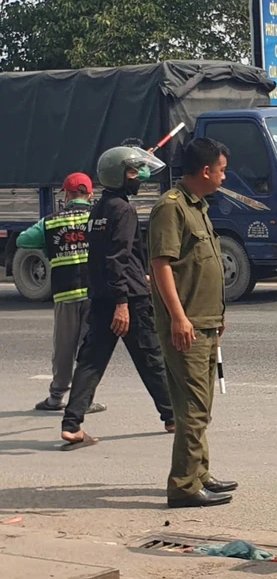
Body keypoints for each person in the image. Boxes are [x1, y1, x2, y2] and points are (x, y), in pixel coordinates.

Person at [60, 146, 175, 451]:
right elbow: (117, 256)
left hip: (100, 295)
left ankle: (71, 425)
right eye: (133, 172)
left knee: (90, 361)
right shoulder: (123, 209)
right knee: (151, 358)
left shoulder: (99, 208)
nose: (138, 178)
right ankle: (173, 416)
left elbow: (114, 255)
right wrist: (123, 303)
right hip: (127, 300)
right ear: (118, 175)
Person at [148, 138, 236, 509]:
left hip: (204, 322)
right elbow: (160, 265)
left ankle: (199, 472)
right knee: (193, 408)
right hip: (186, 325)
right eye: (221, 169)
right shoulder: (171, 208)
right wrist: (179, 317)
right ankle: (184, 485)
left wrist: (216, 317)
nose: (223, 176)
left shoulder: (198, 206)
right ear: (205, 171)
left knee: (203, 404)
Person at [17, 173, 105, 415]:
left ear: (65, 195)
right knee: (89, 348)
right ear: (90, 194)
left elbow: (24, 240)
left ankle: (56, 398)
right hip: (93, 293)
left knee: (64, 347)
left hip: (65, 294)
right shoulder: (97, 219)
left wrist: (48, 244)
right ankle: (84, 400)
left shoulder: (51, 222)